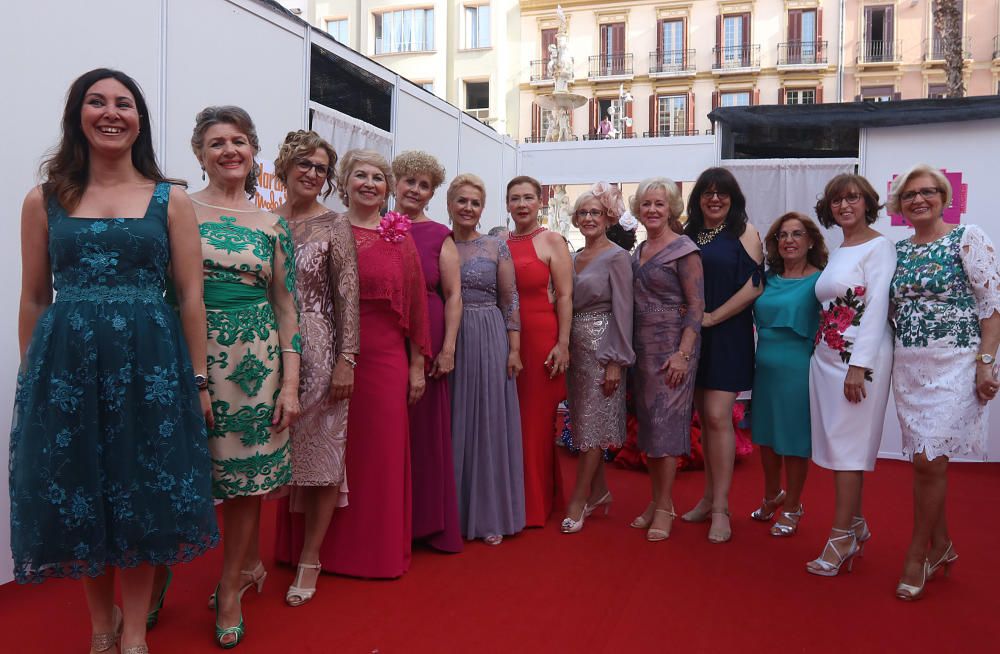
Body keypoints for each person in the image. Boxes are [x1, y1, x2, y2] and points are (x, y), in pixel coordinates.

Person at [9, 68, 218, 654]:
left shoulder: (169, 199)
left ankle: (132, 635)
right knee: (83, 492)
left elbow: (192, 296)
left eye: (124, 104)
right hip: (67, 369)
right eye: (96, 102)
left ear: (139, 120)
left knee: (142, 492)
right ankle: (100, 629)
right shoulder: (44, 199)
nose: (111, 112)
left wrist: (198, 382)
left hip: (149, 369)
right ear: (77, 114)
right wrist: (34, 381)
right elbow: (32, 297)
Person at [888, 164, 1000, 599]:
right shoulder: (898, 251)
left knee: (930, 461)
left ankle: (919, 553)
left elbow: (992, 308)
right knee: (923, 460)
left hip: (956, 362)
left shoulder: (967, 238)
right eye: (910, 194)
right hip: (909, 366)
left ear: (944, 196)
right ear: (900, 205)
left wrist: (986, 362)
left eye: (928, 191)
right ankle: (945, 545)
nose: (919, 199)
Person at [317, 149, 431, 577]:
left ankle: (374, 553)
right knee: (331, 452)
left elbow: (417, 304)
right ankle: (319, 551)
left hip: (385, 359)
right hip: (330, 355)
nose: (369, 183)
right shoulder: (327, 229)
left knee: (379, 455)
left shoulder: (398, 238)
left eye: (378, 178)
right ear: (344, 182)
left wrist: (416, 366)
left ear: (388, 189)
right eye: (359, 175)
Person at [270, 130, 360, 606]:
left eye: (321, 168)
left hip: (321, 349)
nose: (311, 173)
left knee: (323, 458)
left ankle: (310, 556)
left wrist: (347, 360)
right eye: (303, 163)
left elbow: (348, 296)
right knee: (267, 454)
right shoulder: (263, 220)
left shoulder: (334, 225)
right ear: (285, 167)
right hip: (264, 349)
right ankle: (250, 559)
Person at [807, 173, 895, 577]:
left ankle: (842, 536)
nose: (845, 206)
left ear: (867, 203)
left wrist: (859, 366)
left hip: (857, 363)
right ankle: (856, 525)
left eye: (853, 199)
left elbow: (876, 309)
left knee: (847, 452)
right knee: (839, 450)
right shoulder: (841, 249)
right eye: (838, 200)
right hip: (826, 361)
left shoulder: (880, 247)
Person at [681, 168, 763, 543]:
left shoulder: (745, 232)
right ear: (698, 198)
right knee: (705, 418)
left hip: (727, 333)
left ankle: (721, 508)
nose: (715, 199)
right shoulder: (687, 234)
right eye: (707, 193)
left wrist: (714, 315)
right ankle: (708, 498)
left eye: (722, 193)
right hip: (693, 337)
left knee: (718, 417)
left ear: (733, 198)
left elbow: (754, 285)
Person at [449, 174, 526, 545]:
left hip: (489, 334)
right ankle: (452, 515)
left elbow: (510, 299)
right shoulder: (439, 243)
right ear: (450, 203)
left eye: (475, 203)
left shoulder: (496, 246)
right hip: (449, 338)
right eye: (461, 201)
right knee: (453, 422)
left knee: (487, 422)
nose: (468, 208)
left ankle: (489, 513)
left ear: (482, 209)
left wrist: (514, 349)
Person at [392, 150, 463, 553]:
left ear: (432, 193)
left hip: (430, 331)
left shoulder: (439, 235)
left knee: (423, 430)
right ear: (395, 182)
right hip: (384, 335)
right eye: (409, 181)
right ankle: (392, 518)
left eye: (424, 185)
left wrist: (448, 346)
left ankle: (426, 524)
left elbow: (453, 296)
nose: (415, 190)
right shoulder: (379, 226)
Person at [629, 178, 705, 542]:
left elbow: (696, 305)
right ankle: (658, 501)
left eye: (659, 203)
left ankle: (663, 507)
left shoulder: (684, 249)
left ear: (672, 207)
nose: (653, 210)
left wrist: (683, 353)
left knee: (665, 428)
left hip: (674, 349)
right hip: (642, 349)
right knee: (649, 428)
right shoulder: (639, 248)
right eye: (646, 204)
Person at [560, 184, 634, 534]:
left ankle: (579, 500)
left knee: (590, 428)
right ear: (575, 219)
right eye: (583, 213)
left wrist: (615, 361)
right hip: (575, 349)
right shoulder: (573, 256)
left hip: (602, 346)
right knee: (585, 423)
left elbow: (623, 310)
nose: (589, 218)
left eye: (595, 213)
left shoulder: (617, 256)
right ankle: (601, 491)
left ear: (607, 219)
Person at [750, 212, 827, 537]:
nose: (789, 241)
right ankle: (772, 496)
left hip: (799, 370)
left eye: (797, 234)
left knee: (793, 441)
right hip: (764, 369)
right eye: (783, 235)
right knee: (766, 439)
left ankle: (793, 505)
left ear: (810, 241)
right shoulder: (766, 279)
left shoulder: (821, 281)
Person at [506, 175, 572, 527]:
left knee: (533, 423)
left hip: (540, 337)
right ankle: (511, 498)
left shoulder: (551, 240)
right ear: (506, 204)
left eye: (528, 197)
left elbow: (564, 296)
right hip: (502, 337)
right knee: (509, 422)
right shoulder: (498, 240)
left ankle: (533, 505)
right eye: (515, 198)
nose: (521, 204)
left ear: (539, 202)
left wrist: (563, 344)